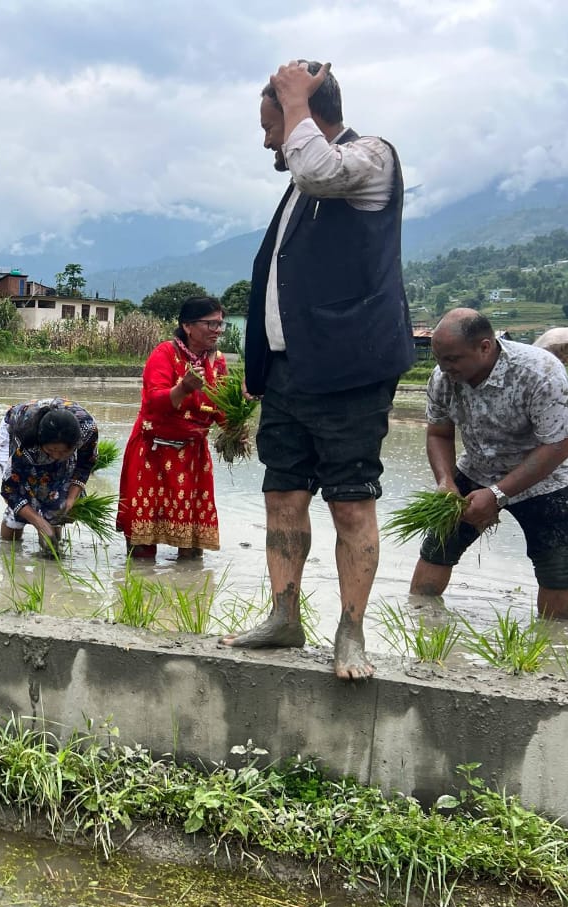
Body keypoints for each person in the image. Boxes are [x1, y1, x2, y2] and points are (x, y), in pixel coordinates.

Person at [222, 60, 415, 681]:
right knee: (283, 494)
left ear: (306, 108)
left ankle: (350, 632)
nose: (268, 140)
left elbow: (317, 167)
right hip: (288, 372)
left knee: (351, 502)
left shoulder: (369, 157)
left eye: (270, 124)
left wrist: (295, 99)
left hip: (348, 370)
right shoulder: (301, 183)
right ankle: (284, 616)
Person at [410, 309, 568, 619]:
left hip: (545, 479)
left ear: (485, 347)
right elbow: (439, 432)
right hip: (478, 468)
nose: (444, 368)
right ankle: (420, 623)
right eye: (439, 359)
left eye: (452, 359)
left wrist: (498, 493)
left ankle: (554, 648)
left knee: (559, 569)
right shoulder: (443, 378)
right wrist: (445, 482)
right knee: (437, 549)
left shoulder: (540, 372)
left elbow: (558, 444)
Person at [116, 297, 228, 561]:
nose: (218, 330)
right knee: (142, 548)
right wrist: (182, 389)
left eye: (220, 324)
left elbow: (220, 404)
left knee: (192, 549)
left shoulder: (217, 361)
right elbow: (154, 402)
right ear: (188, 326)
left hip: (193, 458)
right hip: (154, 453)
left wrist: (234, 425)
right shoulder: (165, 353)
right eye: (211, 324)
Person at [0, 398, 99, 555]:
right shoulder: (26, 439)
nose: (57, 457)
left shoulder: (87, 430)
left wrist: (71, 499)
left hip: (56, 434)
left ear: (76, 444)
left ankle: (51, 555)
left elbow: (85, 465)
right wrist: (39, 523)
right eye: (51, 451)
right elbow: (10, 489)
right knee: (19, 504)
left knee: (57, 498)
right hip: (17, 428)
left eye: (64, 452)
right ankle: (9, 554)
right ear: (41, 443)